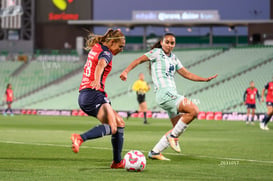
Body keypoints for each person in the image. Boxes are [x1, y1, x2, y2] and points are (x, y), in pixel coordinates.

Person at [120, 33, 217, 160]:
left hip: (172, 94)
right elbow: (138, 60)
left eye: (172, 43)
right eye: (167, 42)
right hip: (164, 94)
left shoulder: (174, 58)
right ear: (161, 42)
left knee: (177, 128)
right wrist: (126, 71)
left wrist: (203, 80)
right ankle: (172, 137)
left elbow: (186, 74)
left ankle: (155, 152)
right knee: (193, 110)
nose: (169, 45)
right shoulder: (156, 52)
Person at [70, 29, 126, 168]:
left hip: (86, 95)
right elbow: (101, 64)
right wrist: (96, 79)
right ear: (112, 42)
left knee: (119, 123)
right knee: (113, 127)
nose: (121, 50)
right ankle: (80, 138)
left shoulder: (97, 47)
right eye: (120, 46)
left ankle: (117, 162)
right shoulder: (107, 53)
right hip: (94, 94)